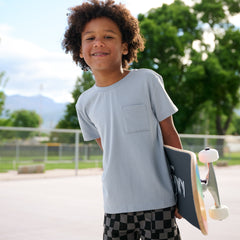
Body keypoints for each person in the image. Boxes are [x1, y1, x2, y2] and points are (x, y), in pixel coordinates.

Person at [62, 0, 183, 239]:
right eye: (89, 38)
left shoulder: (147, 81)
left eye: (108, 36)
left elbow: (170, 134)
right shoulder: (84, 103)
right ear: (78, 49)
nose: (98, 42)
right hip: (116, 205)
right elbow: (107, 151)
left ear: (125, 46)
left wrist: (185, 192)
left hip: (158, 200)